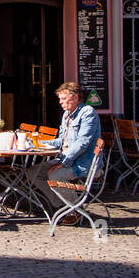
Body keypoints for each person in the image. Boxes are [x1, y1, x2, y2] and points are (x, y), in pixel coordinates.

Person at [28, 82, 102, 225]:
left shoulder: (88, 113)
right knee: (33, 172)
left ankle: (76, 208)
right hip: (66, 158)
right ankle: (64, 207)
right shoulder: (67, 114)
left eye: (63, 99)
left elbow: (83, 142)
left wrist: (63, 162)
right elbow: (62, 140)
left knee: (55, 174)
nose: (60, 102)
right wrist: (42, 143)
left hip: (83, 164)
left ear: (74, 98)